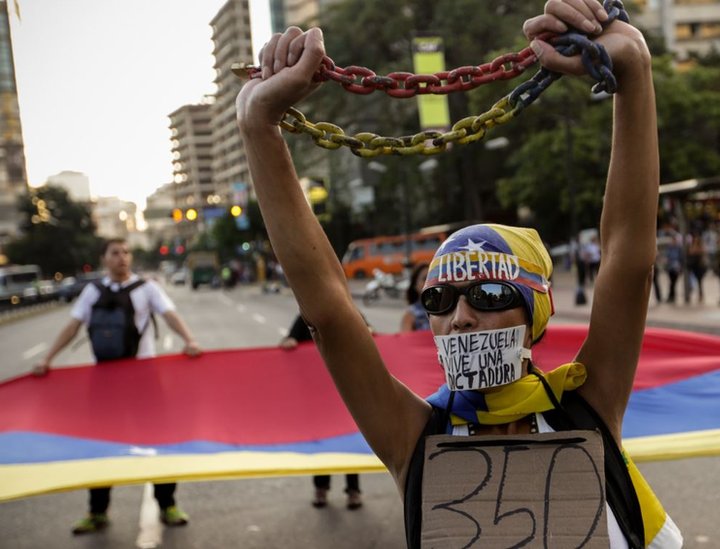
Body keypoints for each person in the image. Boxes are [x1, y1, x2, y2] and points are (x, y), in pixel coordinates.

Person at [236, 2, 681, 546]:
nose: (461, 319)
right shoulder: (414, 436)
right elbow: (329, 311)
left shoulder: (586, 406)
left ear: (536, 311)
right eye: (440, 300)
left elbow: (628, 262)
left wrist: (632, 68)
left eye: (490, 294)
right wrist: (258, 125)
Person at [30, 238, 202, 535]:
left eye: (125, 253)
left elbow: (169, 314)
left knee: (157, 442)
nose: (122, 258)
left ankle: (167, 504)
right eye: (115, 253)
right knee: (99, 446)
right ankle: (97, 511)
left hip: (144, 378)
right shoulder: (92, 291)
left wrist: (189, 340)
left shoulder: (147, 288)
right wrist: (47, 358)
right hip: (105, 381)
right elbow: (72, 327)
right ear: (104, 259)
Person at [279, 315, 363, 509]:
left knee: (348, 442)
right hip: (317, 396)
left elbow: (368, 333)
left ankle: (353, 490)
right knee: (323, 443)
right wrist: (289, 342)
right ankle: (321, 488)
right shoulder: (305, 319)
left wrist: (368, 331)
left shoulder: (348, 313)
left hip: (345, 393)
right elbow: (288, 340)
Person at [399, 264, 431, 332]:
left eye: (432, 277)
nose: (430, 282)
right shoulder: (410, 314)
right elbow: (406, 340)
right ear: (415, 285)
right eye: (425, 278)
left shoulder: (447, 309)